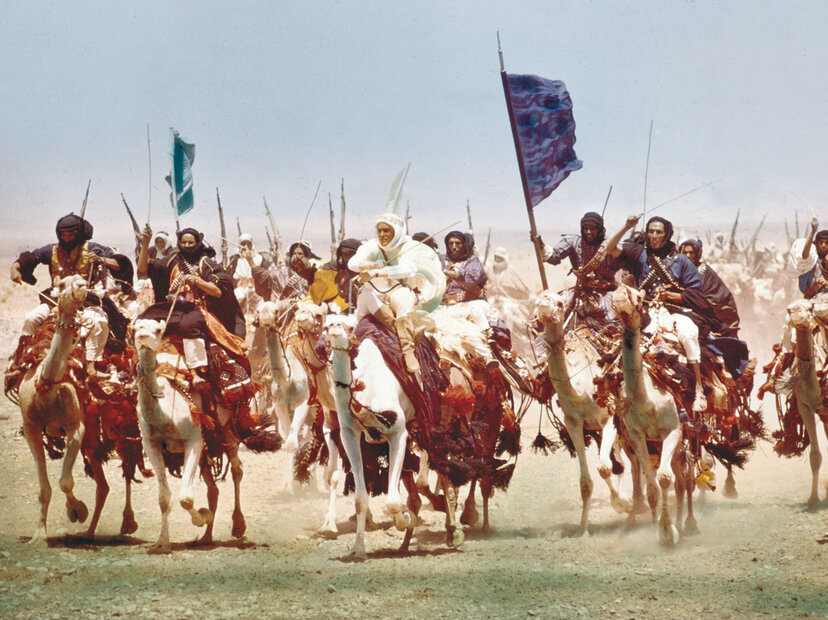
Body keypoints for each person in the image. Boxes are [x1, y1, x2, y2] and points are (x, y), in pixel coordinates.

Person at [607, 215, 711, 412]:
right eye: (651, 231)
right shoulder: (639, 254)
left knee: (688, 334)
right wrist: (626, 226)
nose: (654, 235)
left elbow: (695, 293)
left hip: (675, 312)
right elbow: (610, 249)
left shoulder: (681, 261)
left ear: (667, 234)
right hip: (645, 312)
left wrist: (671, 296)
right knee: (616, 341)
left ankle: (698, 389)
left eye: (659, 232)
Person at [9, 214, 128, 378]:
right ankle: (20, 360)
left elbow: (120, 263)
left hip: (87, 299)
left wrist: (101, 260)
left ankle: (93, 364)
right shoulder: (52, 250)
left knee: (99, 322)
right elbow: (31, 257)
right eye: (63, 235)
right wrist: (15, 268)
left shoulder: (92, 248)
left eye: (70, 235)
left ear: (78, 234)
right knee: (31, 318)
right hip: (56, 299)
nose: (66, 238)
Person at [137, 226, 246, 386]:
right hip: (172, 308)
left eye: (191, 242)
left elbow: (218, 291)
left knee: (188, 325)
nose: (187, 245)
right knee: (142, 321)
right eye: (184, 242)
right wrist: (145, 243)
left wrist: (197, 281)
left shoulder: (205, 263)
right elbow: (143, 269)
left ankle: (196, 371)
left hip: (197, 309)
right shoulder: (171, 260)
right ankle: (139, 371)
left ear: (198, 243)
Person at [348, 213, 446, 374]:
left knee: (404, 297)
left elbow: (409, 269)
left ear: (397, 231)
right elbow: (352, 263)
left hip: (397, 293)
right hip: (374, 296)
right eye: (379, 230)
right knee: (365, 295)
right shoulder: (372, 245)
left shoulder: (409, 246)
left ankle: (408, 351)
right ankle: (407, 334)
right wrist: (369, 265)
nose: (382, 234)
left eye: (387, 230)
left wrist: (377, 273)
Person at [533, 211, 620, 329]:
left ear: (600, 229)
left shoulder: (610, 246)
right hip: (581, 292)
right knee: (550, 311)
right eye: (585, 228)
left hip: (606, 293)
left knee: (614, 322)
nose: (588, 232)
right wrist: (540, 244)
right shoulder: (574, 242)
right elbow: (554, 258)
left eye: (593, 229)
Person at [678, 238, 741, 337]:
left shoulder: (705, 271)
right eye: (685, 253)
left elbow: (715, 297)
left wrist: (694, 301)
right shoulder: (678, 269)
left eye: (691, 253)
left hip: (706, 310)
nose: (688, 256)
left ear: (697, 254)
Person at [226, 233, 270, 313]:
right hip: (240, 289)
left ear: (252, 245)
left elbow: (265, 275)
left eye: (248, 244)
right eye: (243, 244)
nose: (246, 246)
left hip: (256, 289)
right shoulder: (234, 259)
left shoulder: (259, 258)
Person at [441, 231, 487, 304]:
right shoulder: (443, 261)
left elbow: (474, 277)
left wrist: (456, 273)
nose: (454, 247)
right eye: (451, 243)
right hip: (446, 305)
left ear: (463, 245)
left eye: (458, 243)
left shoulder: (473, 261)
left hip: (469, 304)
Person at [790, 217, 828, 299]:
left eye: (826, 243)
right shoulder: (813, 258)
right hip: (813, 296)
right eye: (821, 242)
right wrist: (813, 232)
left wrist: (826, 283)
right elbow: (804, 255)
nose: (824, 245)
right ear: (817, 244)